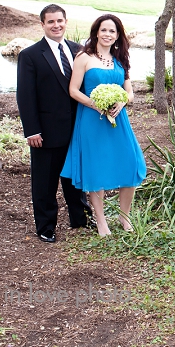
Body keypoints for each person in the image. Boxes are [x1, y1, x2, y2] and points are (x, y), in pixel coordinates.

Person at [60, 14, 147, 237]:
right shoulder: (84, 57)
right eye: (104, 30)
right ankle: (101, 221)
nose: (108, 34)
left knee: (130, 163)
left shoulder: (120, 59)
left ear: (118, 36)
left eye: (112, 31)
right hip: (91, 120)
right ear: (96, 32)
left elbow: (130, 92)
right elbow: (73, 90)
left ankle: (124, 217)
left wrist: (123, 100)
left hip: (119, 120)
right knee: (96, 168)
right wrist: (94, 104)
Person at [17, 4, 92, 243]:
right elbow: (25, 96)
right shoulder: (30, 55)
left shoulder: (78, 50)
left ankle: (80, 219)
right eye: (50, 22)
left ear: (65, 22)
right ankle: (46, 226)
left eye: (60, 21)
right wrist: (32, 130)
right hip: (46, 132)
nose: (56, 25)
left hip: (77, 128)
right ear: (42, 25)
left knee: (75, 177)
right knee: (45, 182)